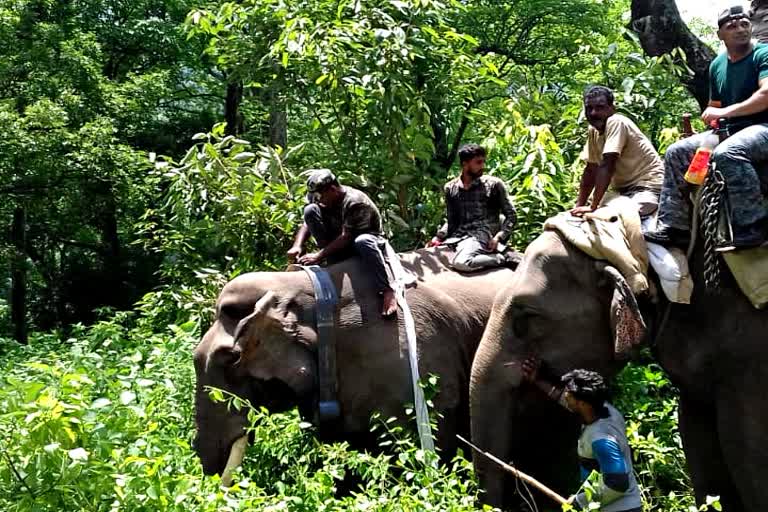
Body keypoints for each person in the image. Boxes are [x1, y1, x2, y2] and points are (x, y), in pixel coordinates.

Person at [645, 5, 768, 250]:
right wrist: (711, 116)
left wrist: (723, 113)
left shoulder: (763, 53)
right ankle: (675, 226)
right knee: (677, 152)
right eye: (731, 26)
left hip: (762, 127)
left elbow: (766, 94)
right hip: (728, 130)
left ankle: (753, 226)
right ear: (720, 34)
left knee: (728, 153)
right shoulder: (717, 65)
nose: (740, 29)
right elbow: (715, 104)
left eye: (744, 23)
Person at [521, 360, 641, 512]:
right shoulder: (605, 411)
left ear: (584, 404)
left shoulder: (601, 438)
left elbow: (617, 484)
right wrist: (537, 380)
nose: (565, 396)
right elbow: (562, 398)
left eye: (569, 395)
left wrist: (579, 501)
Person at [287, 169, 397, 317]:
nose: (318, 200)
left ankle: (388, 292)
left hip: (365, 238)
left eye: (320, 196)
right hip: (340, 239)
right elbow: (306, 223)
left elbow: (347, 236)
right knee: (310, 210)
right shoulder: (323, 197)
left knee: (363, 241)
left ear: (332, 190)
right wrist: (297, 245)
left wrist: (318, 255)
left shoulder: (355, 202)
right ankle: (332, 260)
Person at [572, 85, 664, 218]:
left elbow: (607, 164)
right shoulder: (593, 131)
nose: (593, 113)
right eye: (589, 108)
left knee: (622, 217)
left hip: (647, 187)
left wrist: (593, 207)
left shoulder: (616, 122)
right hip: (621, 191)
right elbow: (591, 169)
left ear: (612, 109)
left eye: (600, 107)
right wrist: (578, 205)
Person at [427, 143, 518, 272]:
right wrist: (439, 237)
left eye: (483, 162)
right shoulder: (451, 188)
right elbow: (452, 219)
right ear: (465, 164)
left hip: (483, 235)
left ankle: (500, 258)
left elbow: (512, 216)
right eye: (478, 163)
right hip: (459, 236)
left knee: (461, 262)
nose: (483, 166)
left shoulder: (493, 185)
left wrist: (499, 237)